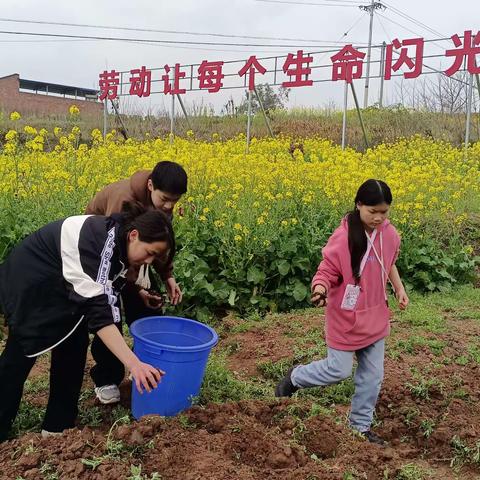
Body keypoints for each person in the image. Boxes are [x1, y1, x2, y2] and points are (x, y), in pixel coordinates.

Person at [0, 202, 174, 441]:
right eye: (150, 252)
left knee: (73, 344)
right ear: (134, 235)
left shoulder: (119, 237)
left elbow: (108, 281)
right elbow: (100, 314)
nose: (149, 261)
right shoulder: (100, 241)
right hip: (33, 281)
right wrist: (134, 364)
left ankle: (57, 428)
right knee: (21, 353)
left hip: (61, 284)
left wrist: (138, 292)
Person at [275, 179, 409, 445]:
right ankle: (295, 378)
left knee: (373, 376)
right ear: (359, 205)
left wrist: (399, 288)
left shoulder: (390, 234)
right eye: (373, 211)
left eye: (384, 212)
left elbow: (389, 262)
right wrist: (320, 288)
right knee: (339, 370)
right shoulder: (344, 237)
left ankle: (360, 427)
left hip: (375, 317)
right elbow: (327, 270)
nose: (379, 218)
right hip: (345, 318)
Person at [86, 160, 187, 404]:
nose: (170, 205)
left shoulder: (163, 206)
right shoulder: (123, 200)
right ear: (151, 185)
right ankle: (107, 379)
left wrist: (167, 276)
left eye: (175, 201)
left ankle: (148, 368)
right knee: (109, 316)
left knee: (148, 309)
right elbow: (114, 254)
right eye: (165, 199)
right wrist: (134, 287)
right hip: (99, 259)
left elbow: (158, 243)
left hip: (133, 259)